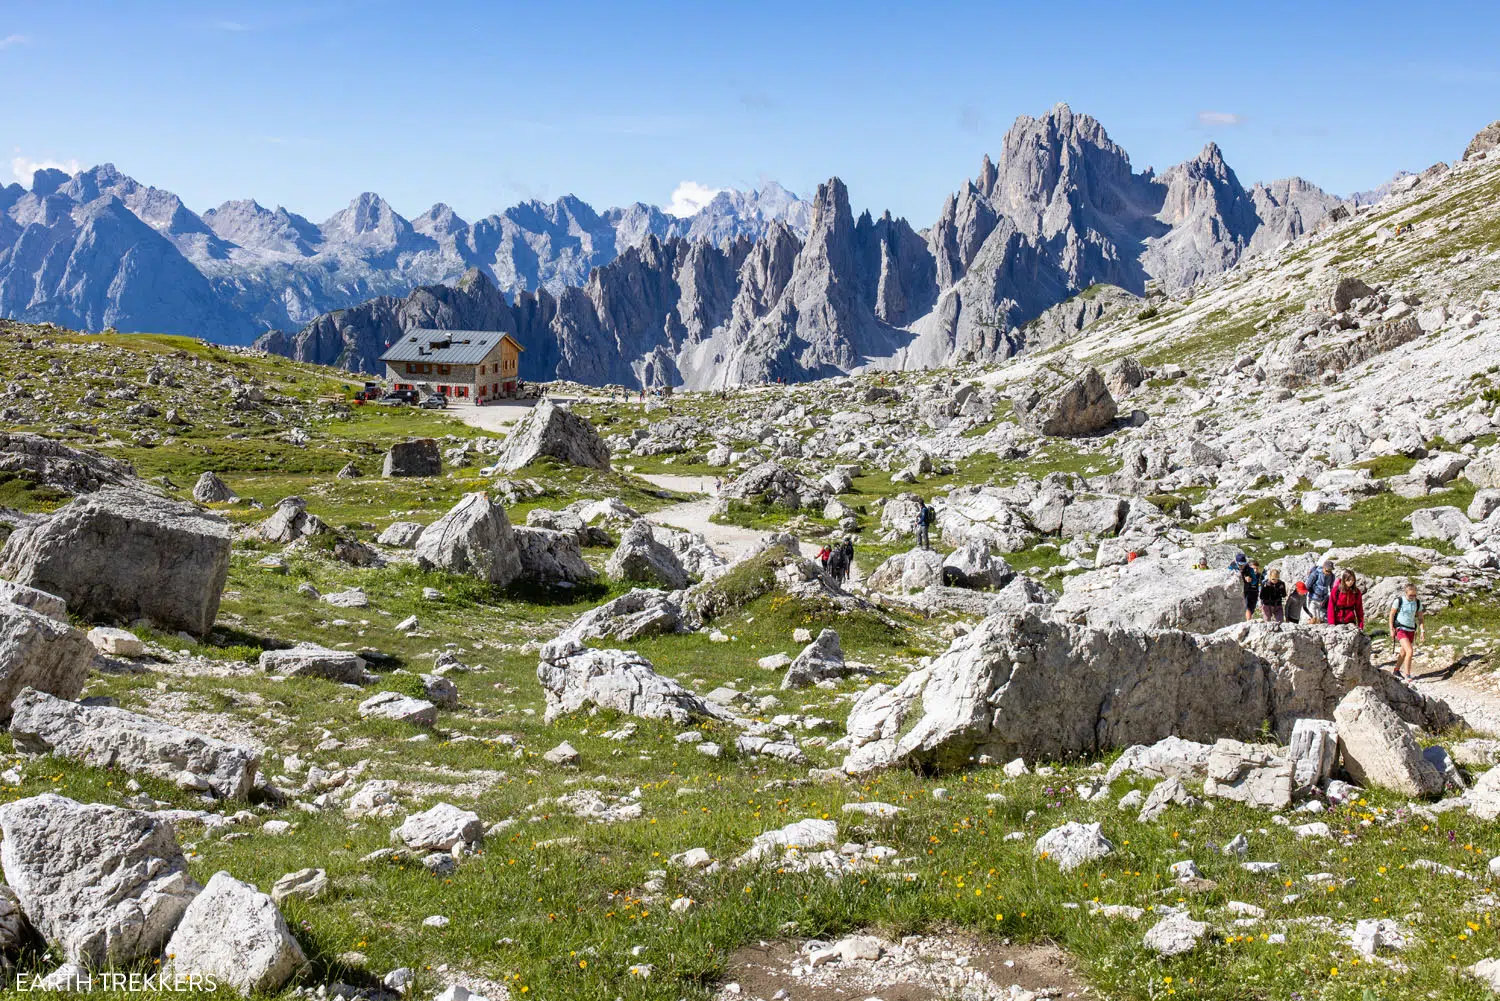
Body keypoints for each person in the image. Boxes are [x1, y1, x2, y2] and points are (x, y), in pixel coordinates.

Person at [1389, 581, 1426, 680]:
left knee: (1404, 652)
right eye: (1410, 595)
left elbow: (1421, 618)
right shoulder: (1399, 601)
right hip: (1400, 629)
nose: (1413, 597)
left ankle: (1396, 670)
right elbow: (1392, 615)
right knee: (1409, 651)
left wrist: (1422, 631)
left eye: (1414, 595)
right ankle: (1407, 674)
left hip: (1411, 630)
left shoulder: (1418, 602)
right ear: (1406, 593)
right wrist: (1391, 629)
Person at [1304, 560, 1336, 624]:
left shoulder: (1332, 576)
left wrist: (1333, 598)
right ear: (1323, 567)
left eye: (1330, 571)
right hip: (1313, 599)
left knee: (1320, 621)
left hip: (1323, 600)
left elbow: (1332, 588)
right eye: (1327, 571)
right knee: (1313, 619)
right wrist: (1304, 598)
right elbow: (1307, 586)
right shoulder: (1315, 574)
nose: (1328, 573)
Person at [1238, 556, 1262, 622]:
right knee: (1247, 608)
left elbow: (1260, 585)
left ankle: (1247, 621)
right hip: (1247, 593)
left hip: (1255, 594)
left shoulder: (1259, 575)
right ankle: (1248, 622)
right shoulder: (1246, 574)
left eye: (1257, 568)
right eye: (1253, 568)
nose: (1255, 570)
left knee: (1251, 610)